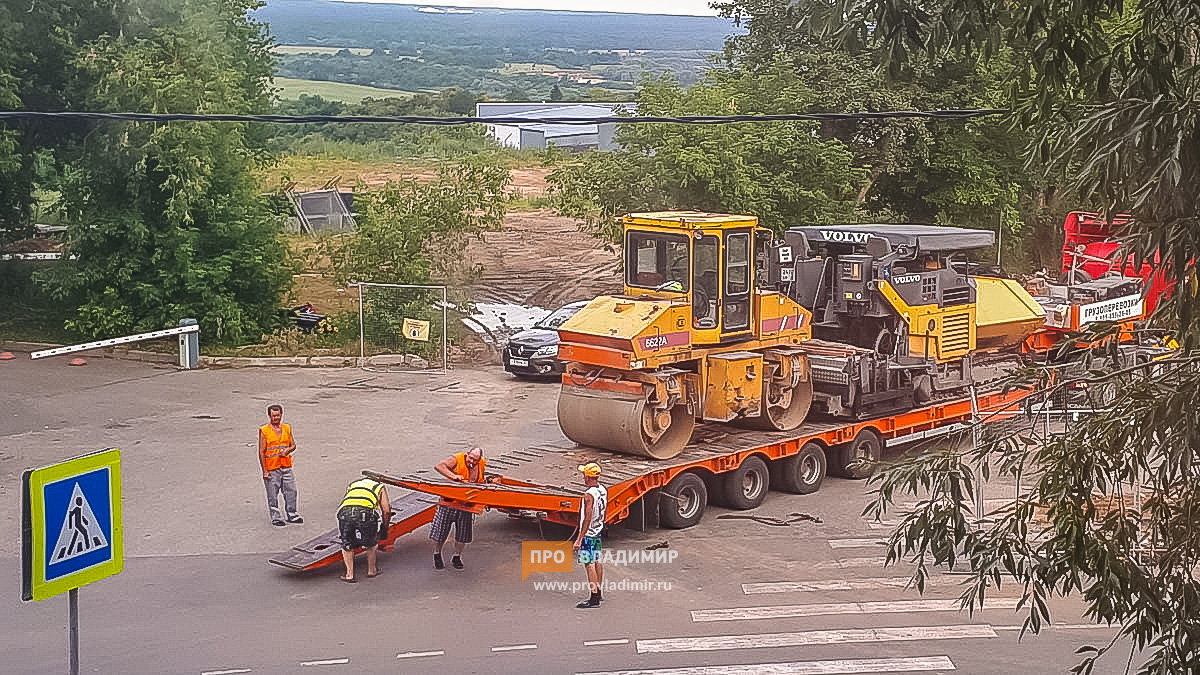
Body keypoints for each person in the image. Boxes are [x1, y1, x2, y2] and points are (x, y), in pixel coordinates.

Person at [430, 446, 498, 570]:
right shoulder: (457, 459)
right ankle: (437, 553)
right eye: (470, 458)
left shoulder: (481, 464)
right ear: (467, 454)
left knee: (463, 534)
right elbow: (439, 466)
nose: (471, 462)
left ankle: (457, 556)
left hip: (466, 505)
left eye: (475, 460)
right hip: (449, 503)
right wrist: (453, 476)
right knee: (441, 532)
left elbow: (480, 481)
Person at [337, 477, 391, 583]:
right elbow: (386, 510)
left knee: (347, 544)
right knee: (371, 543)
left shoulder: (354, 484)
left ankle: (349, 575)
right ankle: (372, 570)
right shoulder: (379, 486)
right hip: (365, 514)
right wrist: (385, 527)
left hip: (345, 512)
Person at [258, 404, 301, 526]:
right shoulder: (264, 430)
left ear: (281, 414)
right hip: (272, 468)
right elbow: (261, 451)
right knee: (273, 494)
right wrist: (265, 471)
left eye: (277, 415)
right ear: (269, 416)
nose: (276, 418)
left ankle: (292, 515)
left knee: (291, 491)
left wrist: (288, 450)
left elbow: (293, 445)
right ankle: (276, 517)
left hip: (286, 466)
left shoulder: (287, 428)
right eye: (273, 416)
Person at [573, 462, 608, 609]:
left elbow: (587, 517)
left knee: (589, 564)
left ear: (588, 477)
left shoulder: (589, 495)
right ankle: (598, 591)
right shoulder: (603, 490)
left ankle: (594, 598)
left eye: (584, 475)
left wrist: (579, 539)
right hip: (597, 530)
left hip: (588, 533)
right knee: (598, 560)